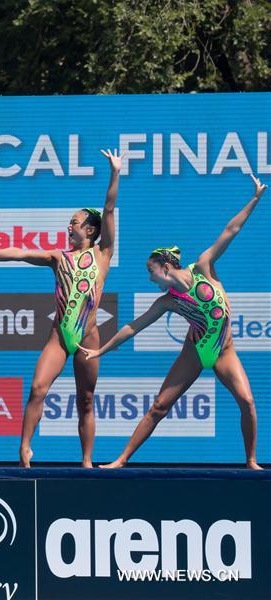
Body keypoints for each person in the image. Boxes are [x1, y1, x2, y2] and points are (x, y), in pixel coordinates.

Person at [80, 174, 265, 470]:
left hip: (224, 352)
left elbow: (231, 229)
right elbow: (132, 327)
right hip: (195, 351)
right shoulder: (167, 301)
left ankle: (252, 462)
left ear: (166, 267)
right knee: (159, 407)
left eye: (152, 273)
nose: (151, 279)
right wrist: (101, 351)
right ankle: (121, 459)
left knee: (248, 402)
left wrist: (255, 199)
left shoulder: (204, 266)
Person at [0, 149, 123, 467]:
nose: (68, 227)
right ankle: (24, 449)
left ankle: (87, 461)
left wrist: (115, 172)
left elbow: (109, 208)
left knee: (86, 400)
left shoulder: (103, 255)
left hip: (88, 338)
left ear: (89, 230)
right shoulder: (58, 258)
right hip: (60, 336)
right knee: (37, 388)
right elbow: (19, 252)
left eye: (74, 223)